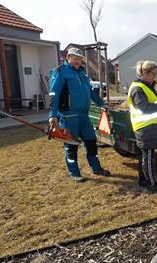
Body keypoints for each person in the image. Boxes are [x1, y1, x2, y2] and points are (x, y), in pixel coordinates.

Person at [48, 47, 110, 182]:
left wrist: (100, 103)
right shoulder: (60, 72)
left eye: (80, 59)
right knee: (71, 144)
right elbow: (54, 94)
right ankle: (74, 172)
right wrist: (52, 114)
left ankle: (96, 168)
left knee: (91, 141)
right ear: (68, 57)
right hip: (68, 116)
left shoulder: (82, 73)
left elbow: (90, 91)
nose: (78, 61)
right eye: (75, 58)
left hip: (84, 114)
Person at [127, 60, 157, 193]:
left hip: (149, 127)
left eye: (156, 73)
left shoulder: (145, 86)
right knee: (148, 158)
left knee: (144, 156)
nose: (155, 76)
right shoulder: (137, 88)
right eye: (153, 73)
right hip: (144, 127)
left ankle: (142, 180)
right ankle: (152, 184)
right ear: (144, 72)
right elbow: (145, 107)